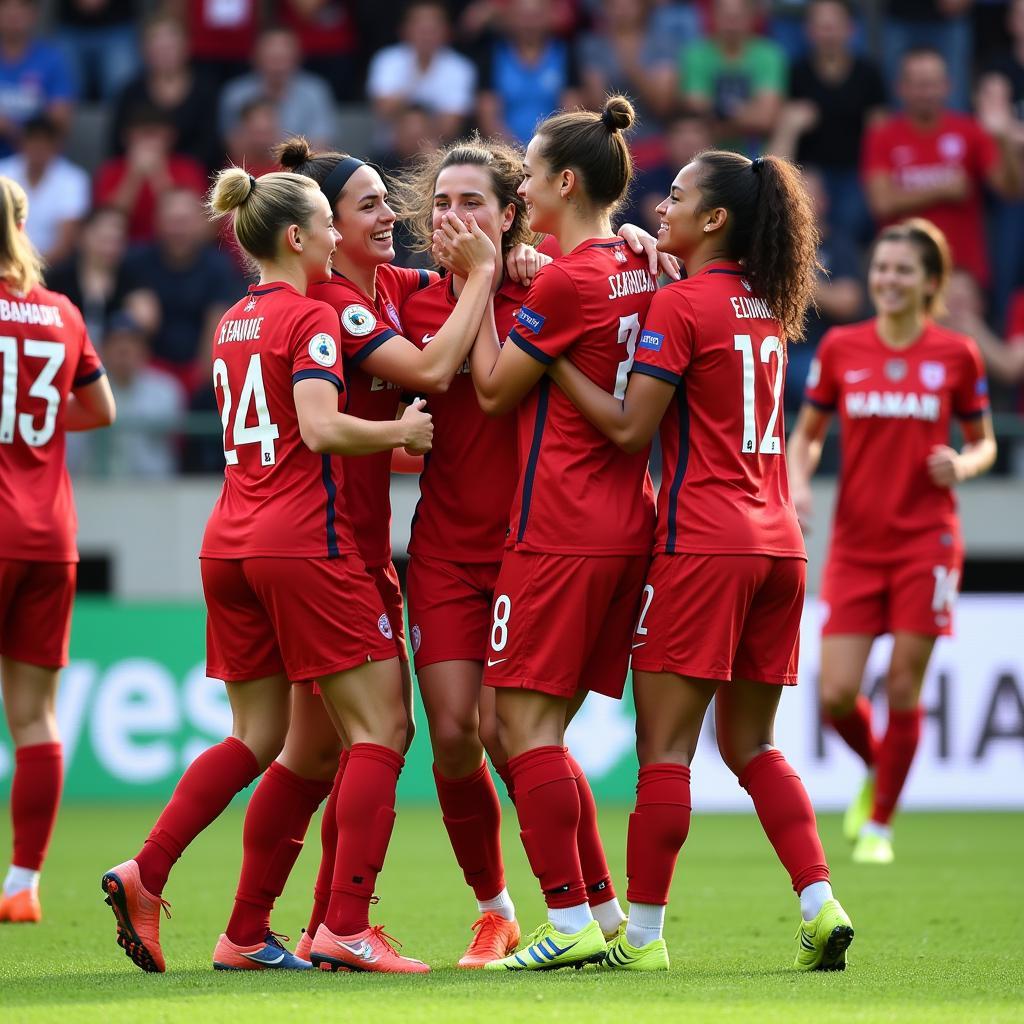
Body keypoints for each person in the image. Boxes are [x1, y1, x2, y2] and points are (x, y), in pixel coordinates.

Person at [99, 165, 436, 975]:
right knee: (382, 730)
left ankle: (161, 880)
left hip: (231, 543)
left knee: (264, 739)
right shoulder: (311, 318)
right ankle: (348, 927)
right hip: (304, 546)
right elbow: (320, 429)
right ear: (296, 237)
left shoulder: (234, 321)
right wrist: (401, 435)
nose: (334, 236)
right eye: (325, 222)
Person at [546, 149, 855, 973]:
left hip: (701, 546)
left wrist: (554, 362)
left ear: (714, 220)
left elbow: (625, 428)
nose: (659, 203)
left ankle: (641, 939)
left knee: (667, 753)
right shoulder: (767, 306)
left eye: (676, 195)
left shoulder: (682, 305)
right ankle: (821, 902)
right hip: (778, 547)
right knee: (753, 747)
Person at [434, 96, 657, 972]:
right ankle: (608, 917)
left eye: (525, 174)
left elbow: (490, 387)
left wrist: (487, 283)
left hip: (558, 528)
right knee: (527, 731)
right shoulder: (641, 265)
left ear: (565, 182)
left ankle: (562, 919)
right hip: (622, 521)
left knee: (512, 726)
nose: (520, 187)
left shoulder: (563, 280)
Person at [788, 218, 997, 865]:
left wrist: (962, 464)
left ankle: (879, 824)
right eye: (882, 267)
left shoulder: (956, 354)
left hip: (926, 542)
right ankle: (883, 768)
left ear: (930, 282)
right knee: (835, 695)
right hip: (855, 543)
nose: (889, 279)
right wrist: (796, 482)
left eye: (904, 270)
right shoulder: (843, 348)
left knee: (904, 686)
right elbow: (808, 433)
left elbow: (985, 440)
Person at [385, 135, 542, 968]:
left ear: (511, 215)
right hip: (443, 550)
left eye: (472, 202)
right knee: (452, 735)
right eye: (441, 203)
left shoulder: (547, 288)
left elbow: (618, 272)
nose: (452, 216)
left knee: (511, 733)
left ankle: (589, 903)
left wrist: (634, 240)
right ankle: (496, 911)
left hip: (530, 548)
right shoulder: (407, 300)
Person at [0, 175, 115, 923]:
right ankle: (21, 886)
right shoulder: (61, 313)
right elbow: (99, 409)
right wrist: (32, 430)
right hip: (48, 534)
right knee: (35, 717)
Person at [861, 47, 1021, 292]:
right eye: (918, 85)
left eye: (933, 84)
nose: (927, 93)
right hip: (900, 272)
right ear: (900, 88)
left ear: (948, 85)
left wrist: (1002, 140)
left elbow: (1010, 189)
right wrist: (943, 189)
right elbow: (882, 202)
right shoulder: (882, 135)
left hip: (960, 273)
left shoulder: (969, 131)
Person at [679, 0, 787, 156]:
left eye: (737, 17)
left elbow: (766, 118)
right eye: (726, 16)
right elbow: (696, 109)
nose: (731, 23)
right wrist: (747, 113)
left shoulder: (769, 55)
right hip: (707, 152)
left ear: (751, 17)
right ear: (713, 16)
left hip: (757, 153)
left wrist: (718, 112)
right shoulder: (695, 55)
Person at [0, 114, 89, 265]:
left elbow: (65, 243)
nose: (38, 148)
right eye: (33, 141)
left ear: (56, 146)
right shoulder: (3, 172)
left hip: (51, 269)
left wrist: (29, 270)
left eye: (44, 142)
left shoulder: (73, 179)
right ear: (22, 143)